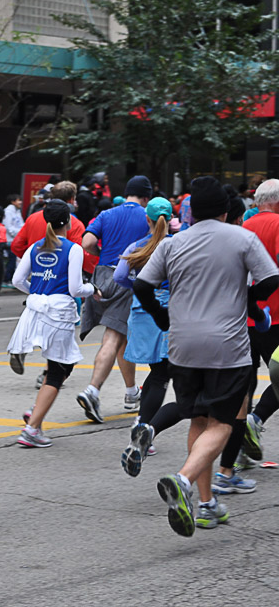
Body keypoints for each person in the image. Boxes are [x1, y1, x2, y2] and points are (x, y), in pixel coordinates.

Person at [135, 176, 278, 535]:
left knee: (198, 419)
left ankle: (207, 505)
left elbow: (141, 285)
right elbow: (272, 279)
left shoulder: (174, 242)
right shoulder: (242, 238)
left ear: (193, 211)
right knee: (223, 423)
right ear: (227, 210)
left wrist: (161, 315)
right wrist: (251, 303)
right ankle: (183, 480)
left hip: (182, 345)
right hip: (226, 346)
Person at [8, 200, 96, 447]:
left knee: (58, 367)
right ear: (68, 221)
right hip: (58, 315)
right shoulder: (73, 249)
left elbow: (17, 280)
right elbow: (76, 288)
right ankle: (31, 429)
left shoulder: (35, 247)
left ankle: (36, 411)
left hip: (35, 311)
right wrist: (93, 289)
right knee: (59, 370)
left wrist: (36, 291)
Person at [112, 197, 181, 476]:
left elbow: (119, 277)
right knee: (164, 373)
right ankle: (144, 426)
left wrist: (138, 286)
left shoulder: (136, 246)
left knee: (158, 371)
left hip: (142, 312)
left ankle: (144, 425)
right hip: (170, 311)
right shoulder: (177, 243)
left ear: (148, 220)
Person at [75, 175, 153, 423]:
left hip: (102, 276)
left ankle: (131, 393)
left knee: (120, 337)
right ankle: (92, 391)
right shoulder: (147, 216)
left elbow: (87, 242)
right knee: (113, 336)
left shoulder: (107, 214)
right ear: (146, 196)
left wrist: (101, 257)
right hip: (126, 278)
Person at [241, 180, 279, 468]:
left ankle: (238, 448)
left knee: (246, 380)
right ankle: (255, 420)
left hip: (244, 314)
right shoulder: (278, 224)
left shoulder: (245, 227)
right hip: (274, 314)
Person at [2, 194, 24, 284]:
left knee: (14, 260)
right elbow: (8, 228)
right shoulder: (7, 212)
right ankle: (7, 279)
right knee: (12, 259)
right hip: (9, 240)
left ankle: (9, 278)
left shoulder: (17, 211)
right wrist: (20, 233)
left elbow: (22, 224)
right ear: (13, 202)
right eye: (18, 200)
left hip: (16, 239)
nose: (21, 202)